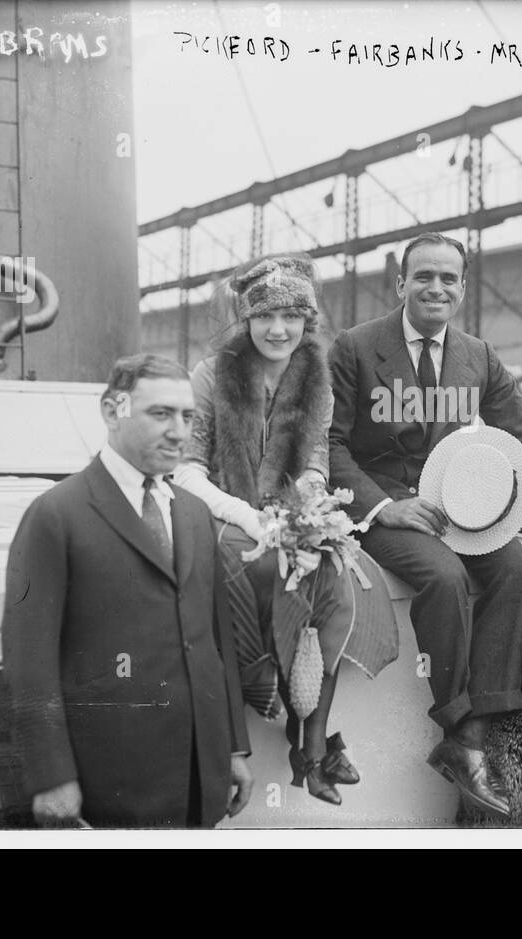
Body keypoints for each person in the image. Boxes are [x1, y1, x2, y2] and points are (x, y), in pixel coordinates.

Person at [327, 232, 522, 818]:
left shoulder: (479, 354)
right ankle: (461, 727)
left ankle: (492, 717)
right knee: (445, 579)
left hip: (458, 507)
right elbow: (330, 442)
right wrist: (381, 508)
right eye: (424, 276)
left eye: (449, 278)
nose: (436, 288)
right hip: (384, 508)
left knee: (517, 570)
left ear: (463, 288)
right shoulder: (353, 347)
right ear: (401, 285)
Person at [174, 253, 397, 807]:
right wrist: (248, 515)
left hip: (285, 512)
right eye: (265, 317)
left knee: (340, 571)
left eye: (292, 317)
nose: (279, 330)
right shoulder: (210, 375)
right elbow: (186, 470)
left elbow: (317, 460)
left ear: (308, 322)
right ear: (246, 320)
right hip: (221, 512)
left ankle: (312, 739)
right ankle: (283, 711)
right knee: (266, 566)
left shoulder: (315, 378)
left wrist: (311, 508)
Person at [2, 354, 253, 828]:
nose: (179, 431)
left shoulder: (195, 514)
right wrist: (51, 776)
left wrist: (234, 746)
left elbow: (217, 643)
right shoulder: (56, 515)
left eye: (188, 416)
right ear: (111, 411)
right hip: (110, 784)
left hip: (200, 778)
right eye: (160, 414)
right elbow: (27, 659)